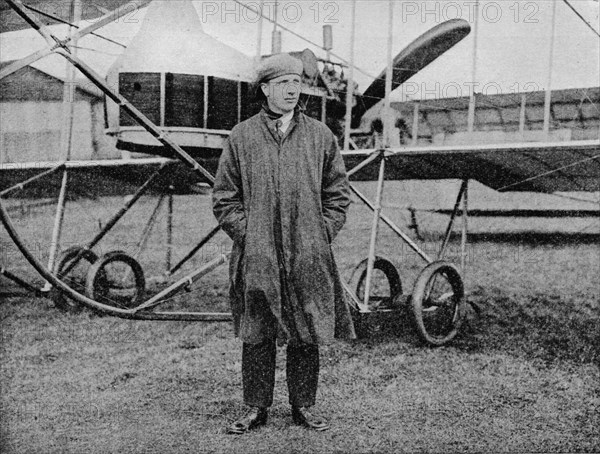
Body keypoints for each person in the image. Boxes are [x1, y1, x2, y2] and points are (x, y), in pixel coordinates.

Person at [212, 53, 355, 434]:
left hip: (308, 252)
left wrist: (318, 234)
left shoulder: (320, 136)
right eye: (283, 83)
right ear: (265, 89)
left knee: (306, 326)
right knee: (257, 329)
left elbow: (338, 197)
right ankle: (255, 407)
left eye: (296, 82)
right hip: (257, 254)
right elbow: (225, 199)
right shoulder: (241, 137)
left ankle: (304, 406)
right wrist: (251, 235)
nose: (293, 90)